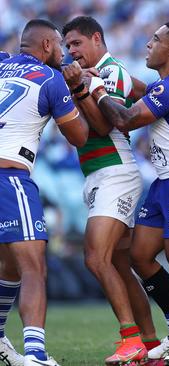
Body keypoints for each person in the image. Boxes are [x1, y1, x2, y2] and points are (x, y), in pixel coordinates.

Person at [87, 21, 169, 366]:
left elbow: (126, 119)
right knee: (140, 256)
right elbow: (145, 94)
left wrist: (97, 90)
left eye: (156, 39)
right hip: (164, 183)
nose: (148, 43)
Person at [61, 15, 158, 364]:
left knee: (94, 257)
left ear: (97, 39)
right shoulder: (89, 75)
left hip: (115, 173)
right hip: (97, 177)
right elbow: (143, 93)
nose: (72, 51)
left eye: (77, 43)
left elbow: (103, 125)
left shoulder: (109, 69)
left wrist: (79, 90)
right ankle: (151, 344)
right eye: (67, 46)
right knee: (117, 264)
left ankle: (129, 338)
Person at [0, 19, 89, 366]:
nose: (65, 54)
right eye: (61, 46)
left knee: (8, 265)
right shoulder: (51, 78)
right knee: (34, 266)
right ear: (49, 46)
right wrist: (79, 88)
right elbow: (79, 136)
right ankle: (36, 354)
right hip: (9, 176)